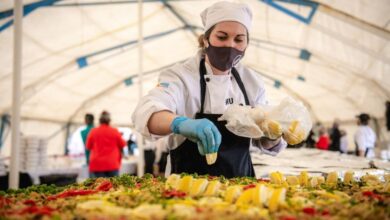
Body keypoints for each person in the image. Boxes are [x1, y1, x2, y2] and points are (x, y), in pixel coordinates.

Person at [132, 1, 287, 178]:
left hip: (242, 190)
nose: (230, 45)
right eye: (222, 37)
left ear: (246, 44)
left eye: (238, 39)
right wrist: (181, 124)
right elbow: (146, 112)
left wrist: (272, 135)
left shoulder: (252, 82)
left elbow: (266, 143)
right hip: (185, 191)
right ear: (206, 40)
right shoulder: (181, 76)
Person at [86, 111, 126, 178]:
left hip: (97, 165)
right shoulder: (114, 131)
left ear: (99, 121)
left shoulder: (93, 131)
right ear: (109, 121)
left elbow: (88, 146)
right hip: (112, 164)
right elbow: (123, 144)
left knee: (97, 187)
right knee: (115, 187)